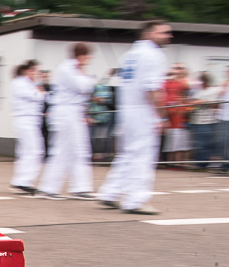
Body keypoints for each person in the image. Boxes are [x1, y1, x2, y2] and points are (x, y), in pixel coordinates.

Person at [97, 20, 172, 215]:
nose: (169, 36)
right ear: (148, 34)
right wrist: (161, 116)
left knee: (127, 154)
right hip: (143, 110)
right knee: (143, 156)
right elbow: (153, 88)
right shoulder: (154, 55)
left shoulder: (129, 55)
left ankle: (110, 192)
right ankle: (136, 200)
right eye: (163, 32)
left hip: (126, 110)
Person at [37, 43, 96, 199]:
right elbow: (84, 87)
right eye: (87, 56)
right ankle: (49, 188)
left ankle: (80, 188)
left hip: (74, 112)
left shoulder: (73, 68)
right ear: (81, 55)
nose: (88, 59)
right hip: (66, 112)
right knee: (62, 151)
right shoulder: (68, 68)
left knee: (80, 150)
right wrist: (86, 74)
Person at [9, 60, 45, 195]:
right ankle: (24, 181)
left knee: (25, 152)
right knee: (35, 151)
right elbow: (38, 96)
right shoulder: (20, 83)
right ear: (26, 70)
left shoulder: (26, 84)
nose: (35, 74)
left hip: (30, 121)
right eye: (33, 71)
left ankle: (19, 180)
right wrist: (39, 87)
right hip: (25, 121)